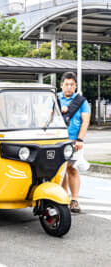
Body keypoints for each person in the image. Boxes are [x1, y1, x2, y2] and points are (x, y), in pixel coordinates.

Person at [58, 72, 90, 213]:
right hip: (57, 139)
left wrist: (80, 139)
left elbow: (85, 121)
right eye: (67, 84)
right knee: (60, 170)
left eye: (72, 85)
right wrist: (60, 110)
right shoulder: (54, 98)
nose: (69, 87)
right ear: (62, 85)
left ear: (75, 86)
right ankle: (64, 197)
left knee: (72, 169)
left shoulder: (82, 101)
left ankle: (74, 200)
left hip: (74, 141)